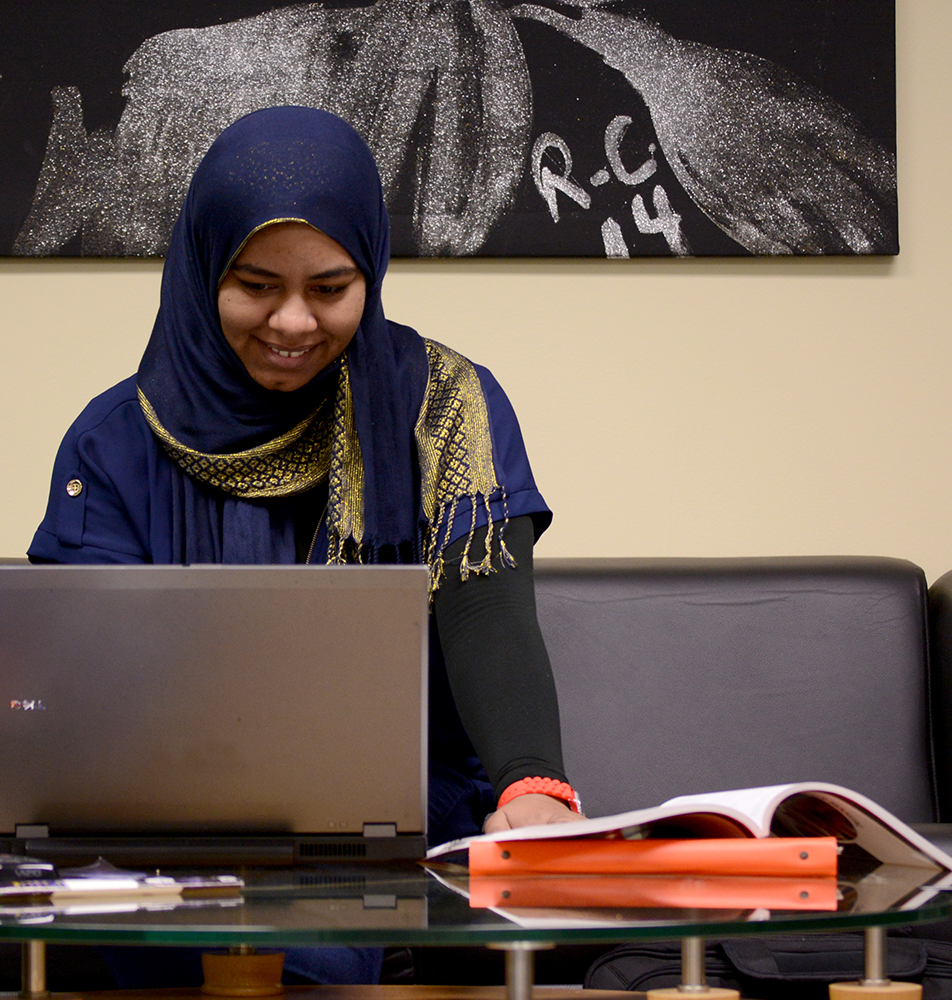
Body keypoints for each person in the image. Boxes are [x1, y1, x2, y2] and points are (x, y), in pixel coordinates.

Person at [28, 106, 579, 985]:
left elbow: (486, 606)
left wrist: (531, 785)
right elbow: (89, 682)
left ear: (372, 272)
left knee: (310, 949)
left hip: (384, 813)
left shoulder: (442, 408)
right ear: (203, 267)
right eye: (255, 285)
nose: (293, 323)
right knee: (133, 948)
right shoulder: (114, 440)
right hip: (165, 824)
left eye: (330, 289)